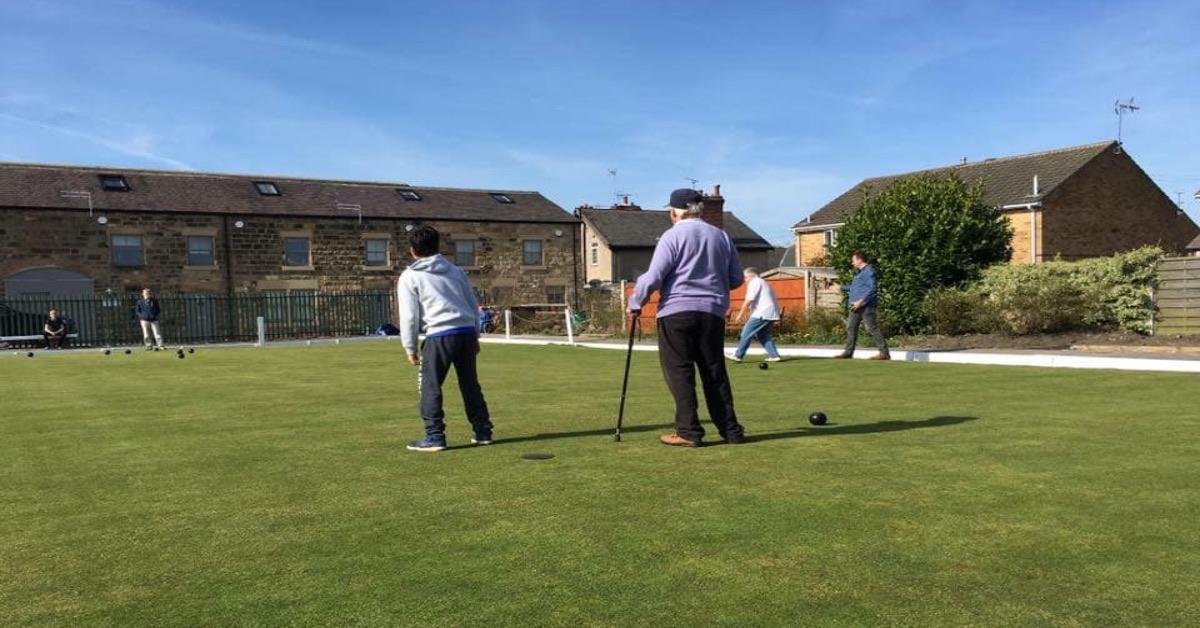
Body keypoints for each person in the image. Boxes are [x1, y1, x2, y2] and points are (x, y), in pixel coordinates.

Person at [628, 188, 747, 447]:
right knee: (714, 371)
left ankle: (689, 431)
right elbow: (737, 278)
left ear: (673, 212)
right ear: (700, 210)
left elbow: (654, 276)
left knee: (680, 372)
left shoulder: (671, 237)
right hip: (712, 312)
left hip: (676, 312)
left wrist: (636, 302)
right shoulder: (722, 237)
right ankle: (731, 431)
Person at [398, 226, 492, 452]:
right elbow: (472, 304)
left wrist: (410, 349)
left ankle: (434, 436)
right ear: (438, 246)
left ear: (412, 250)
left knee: (430, 386)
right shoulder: (455, 270)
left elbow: (409, 316)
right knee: (470, 385)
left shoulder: (410, 276)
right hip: (466, 333)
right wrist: (476, 335)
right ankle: (483, 432)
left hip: (440, 335)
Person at [833, 251, 890, 360]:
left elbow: (872, 289)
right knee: (851, 328)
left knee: (872, 328)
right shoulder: (859, 273)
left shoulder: (869, 271)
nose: (852, 263)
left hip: (866, 306)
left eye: (853, 260)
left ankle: (884, 353)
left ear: (859, 260)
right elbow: (855, 287)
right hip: (854, 306)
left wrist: (861, 301)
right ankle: (848, 352)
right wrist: (841, 287)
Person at [729, 268, 782, 363]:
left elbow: (749, 299)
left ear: (751, 276)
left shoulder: (755, 282)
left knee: (746, 333)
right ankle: (774, 356)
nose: (744, 280)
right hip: (770, 312)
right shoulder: (762, 282)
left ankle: (738, 355)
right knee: (763, 335)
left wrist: (740, 315)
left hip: (762, 313)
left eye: (745, 278)